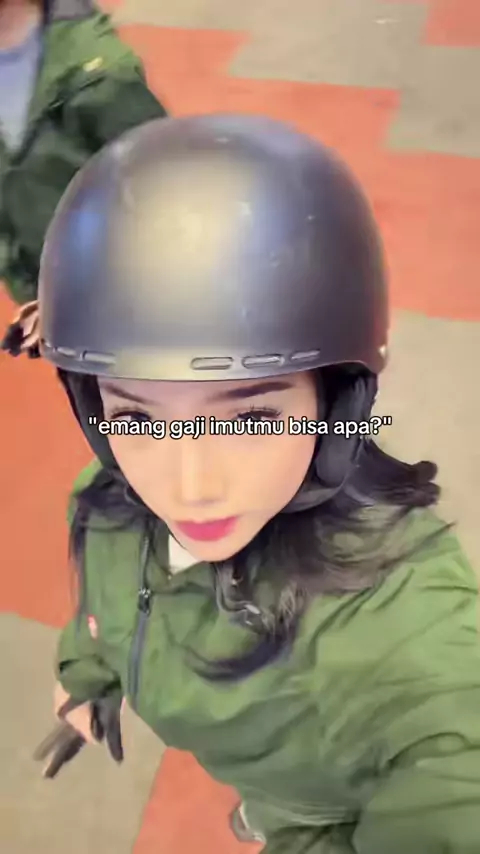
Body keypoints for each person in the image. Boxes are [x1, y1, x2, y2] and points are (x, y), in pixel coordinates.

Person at [35, 114, 480, 853]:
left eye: (249, 417)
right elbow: (107, 594)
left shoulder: (406, 630)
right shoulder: (111, 493)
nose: (187, 488)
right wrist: (88, 673)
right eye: (136, 416)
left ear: (336, 405)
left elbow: (452, 766)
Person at [0, 0, 167, 357]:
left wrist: (80, 298)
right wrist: (38, 293)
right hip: (55, 306)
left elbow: (163, 193)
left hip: (132, 303)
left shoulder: (100, 73)